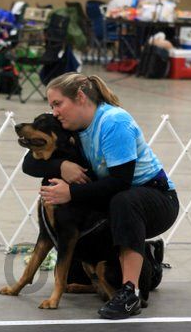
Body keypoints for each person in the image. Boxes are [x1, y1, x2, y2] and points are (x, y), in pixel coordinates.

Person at [23, 73, 179, 319]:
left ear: (81, 97)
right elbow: (28, 165)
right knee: (78, 270)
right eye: (51, 105)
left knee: (124, 200)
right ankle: (148, 262)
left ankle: (131, 293)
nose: (54, 112)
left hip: (156, 198)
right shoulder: (72, 127)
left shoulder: (113, 122)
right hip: (115, 202)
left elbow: (120, 183)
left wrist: (70, 193)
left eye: (57, 104)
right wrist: (61, 166)